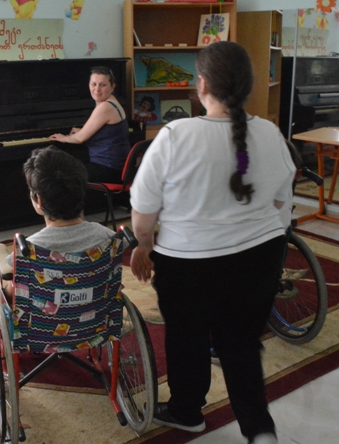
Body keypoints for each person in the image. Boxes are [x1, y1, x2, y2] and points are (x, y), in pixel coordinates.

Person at [129, 41, 296, 444]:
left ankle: (187, 412)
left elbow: (143, 214)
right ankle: (260, 431)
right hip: (262, 256)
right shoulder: (270, 132)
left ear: (201, 84)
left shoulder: (175, 135)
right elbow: (279, 199)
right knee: (240, 344)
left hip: (189, 263)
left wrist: (144, 247)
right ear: (248, 85)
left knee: (186, 338)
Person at [5, 146, 115, 267]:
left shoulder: (28, 249)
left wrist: (0, 251)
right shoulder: (108, 236)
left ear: (39, 201)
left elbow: (10, 271)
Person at [49, 66, 130, 183]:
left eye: (102, 85)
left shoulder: (105, 107)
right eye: (93, 84)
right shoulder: (112, 101)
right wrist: (83, 130)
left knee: (59, 175)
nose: (97, 89)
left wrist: (63, 138)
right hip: (116, 166)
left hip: (109, 169)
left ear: (112, 87)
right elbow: (102, 131)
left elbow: (79, 139)